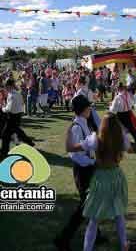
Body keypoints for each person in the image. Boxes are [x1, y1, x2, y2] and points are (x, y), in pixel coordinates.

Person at [54, 95, 106, 251]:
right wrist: (92, 162)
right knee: (84, 207)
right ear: (83, 109)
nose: (91, 109)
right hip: (83, 171)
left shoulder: (85, 123)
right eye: (88, 107)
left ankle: (95, 235)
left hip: (89, 168)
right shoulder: (76, 126)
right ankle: (63, 239)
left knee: (91, 204)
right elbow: (74, 154)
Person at [82, 112, 129, 251]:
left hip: (101, 176)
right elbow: (129, 148)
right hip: (116, 174)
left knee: (94, 217)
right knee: (119, 214)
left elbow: (80, 147)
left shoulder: (95, 139)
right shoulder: (122, 139)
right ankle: (123, 246)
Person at [0, 79, 34, 160]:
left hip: (12, 116)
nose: (6, 88)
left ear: (9, 86)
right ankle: (30, 143)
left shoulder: (11, 95)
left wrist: (2, 108)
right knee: (18, 131)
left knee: (6, 135)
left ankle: (4, 153)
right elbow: (21, 103)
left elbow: (9, 109)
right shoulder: (17, 93)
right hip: (18, 115)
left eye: (6, 86)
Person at [110, 83, 136, 150]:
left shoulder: (117, 97)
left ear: (118, 89)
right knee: (132, 129)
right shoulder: (127, 94)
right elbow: (131, 103)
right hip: (128, 113)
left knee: (119, 129)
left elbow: (113, 109)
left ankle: (121, 144)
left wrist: (110, 106)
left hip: (120, 114)